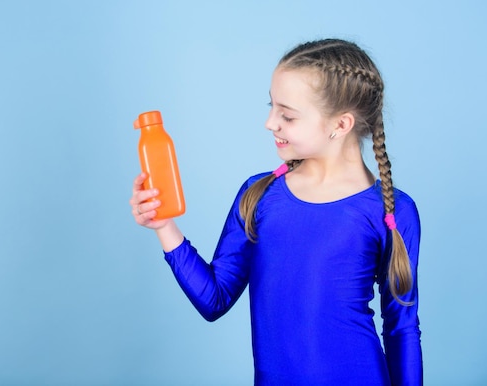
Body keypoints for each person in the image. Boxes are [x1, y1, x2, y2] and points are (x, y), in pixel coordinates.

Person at [129, 38, 422, 385]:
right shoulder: (260, 195)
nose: (270, 122)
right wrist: (164, 227)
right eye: (272, 107)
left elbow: (401, 329)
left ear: (340, 125)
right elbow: (214, 299)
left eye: (287, 115)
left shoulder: (391, 211)